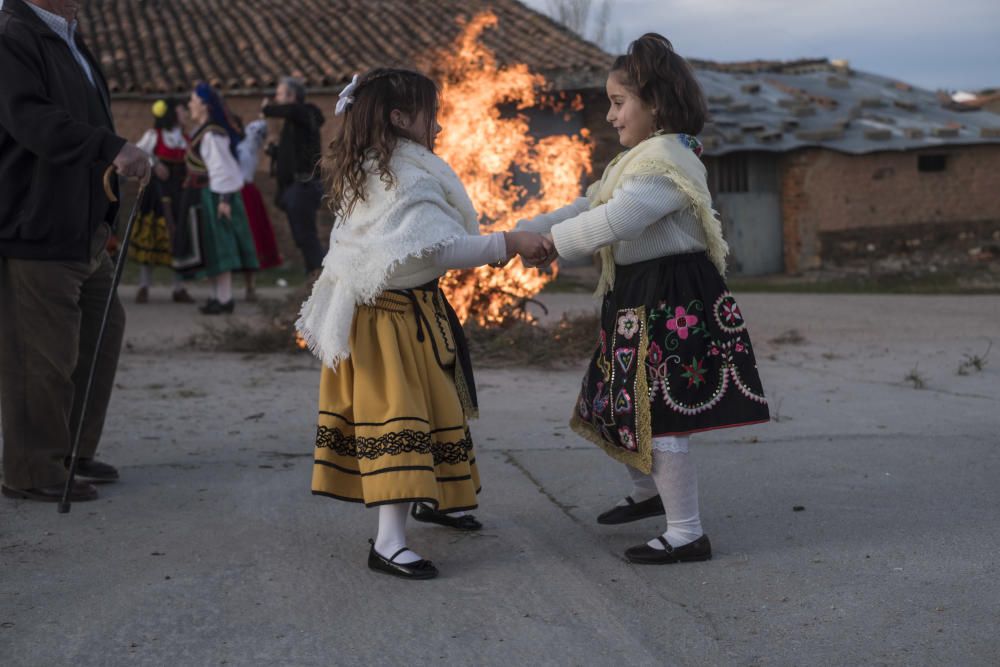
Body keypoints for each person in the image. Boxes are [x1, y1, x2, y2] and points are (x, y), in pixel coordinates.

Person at [518, 34, 770, 564]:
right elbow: (586, 204)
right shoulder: (634, 160)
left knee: (661, 417)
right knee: (620, 405)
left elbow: (618, 220)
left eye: (618, 101)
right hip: (636, 296)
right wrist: (522, 231)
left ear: (656, 102)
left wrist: (549, 247)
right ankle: (649, 494)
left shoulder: (667, 163)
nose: (610, 115)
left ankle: (687, 533)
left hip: (671, 300)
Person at [296, 68, 551, 579]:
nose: (436, 127)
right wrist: (511, 242)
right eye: (428, 115)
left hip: (410, 313)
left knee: (437, 408)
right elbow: (441, 247)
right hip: (384, 323)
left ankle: (435, 500)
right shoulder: (402, 176)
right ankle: (388, 544)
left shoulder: (379, 166)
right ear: (399, 118)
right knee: (401, 419)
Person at [0, 0, 151, 502]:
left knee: (103, 331)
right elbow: (31, 121)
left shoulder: (69, 38)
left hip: (83, 227)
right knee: (40, 357)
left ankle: (71, 451)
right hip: (36, 224)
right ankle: (31, 471)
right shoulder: (11, 35)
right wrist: (110, 146)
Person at [176, 82, 260, 315]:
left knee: (220, 247)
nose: (190, 104)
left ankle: (225, 299)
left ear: (204, 105)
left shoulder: (212, 134)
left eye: (193, 100)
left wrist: (223, 200)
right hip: (203, 195)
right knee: (209, 248)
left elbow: (224, 168)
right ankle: (216, 297)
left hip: (214, 196)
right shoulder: (204, 132)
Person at [131, 97, 195, 304]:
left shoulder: (186, 138)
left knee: (178, 237)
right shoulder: (154, 135)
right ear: (171, 113)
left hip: (179, 193)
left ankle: (179, 287)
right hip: (157, 193)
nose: (185, 113)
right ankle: (143, 286)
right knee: (152, 235)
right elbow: (138, 152)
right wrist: (155, 162)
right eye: (181, 109)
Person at [262, 76, 325, 274]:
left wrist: (266, 109)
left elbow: (290, 110)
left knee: (306, 236)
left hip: (303, 187)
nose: (276, 98)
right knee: (302, 237)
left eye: (280, 94)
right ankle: (313, 277)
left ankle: (322, 275)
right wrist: (275, 152)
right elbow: (293, 151)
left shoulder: (304, 113)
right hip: (295, 188)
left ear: (292, 95)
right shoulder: (295, 122)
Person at [235, 117, 283, 301]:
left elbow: (259, 127)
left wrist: (265, 113)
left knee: (252, 236)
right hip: (240, 192)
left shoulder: (247, 147)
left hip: (245, 193)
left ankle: (249, 286)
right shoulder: (243, 147)